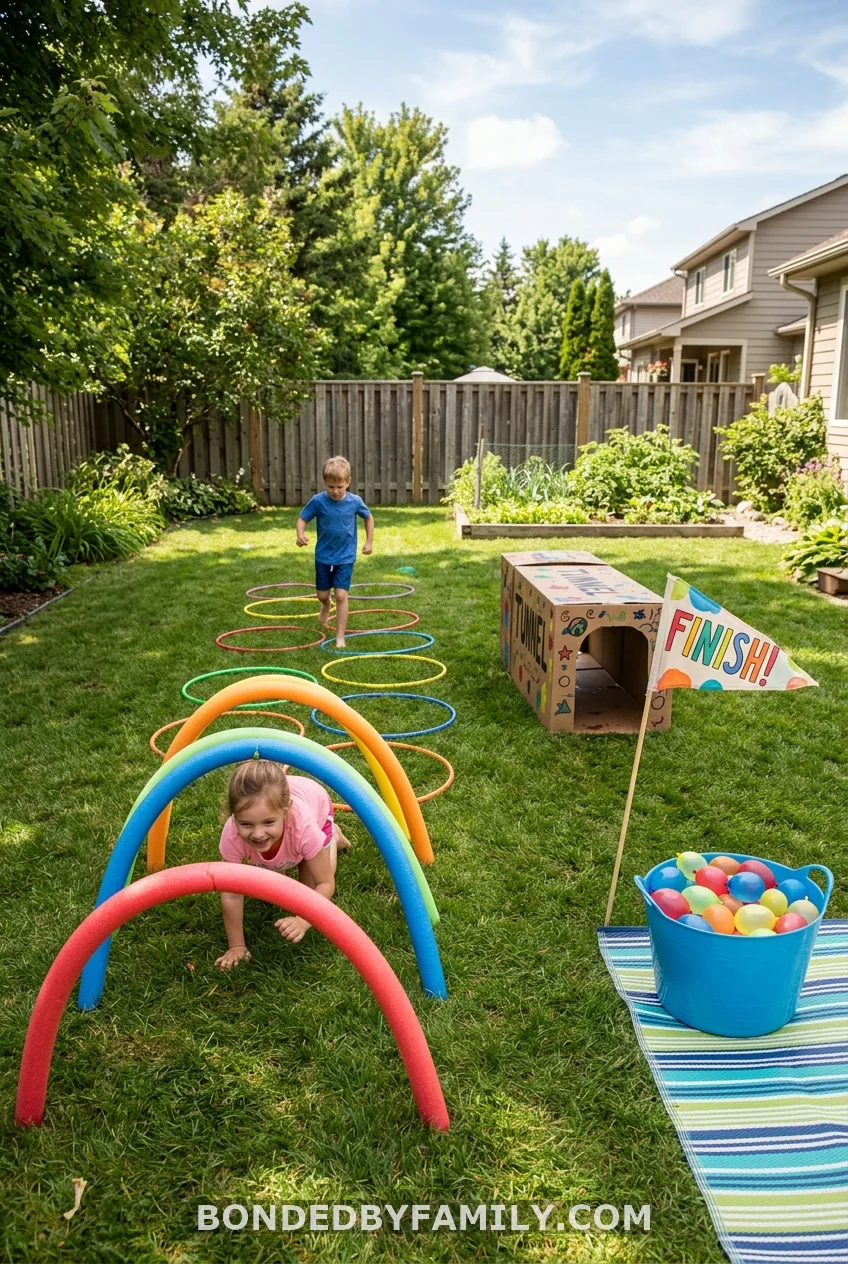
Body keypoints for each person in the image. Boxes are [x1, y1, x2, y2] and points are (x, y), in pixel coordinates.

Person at [215, 760, 350, 971]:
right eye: (246, 824)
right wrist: (237, 946)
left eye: (268, 822)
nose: (258, 833)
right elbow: (231, 893)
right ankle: (296, 849)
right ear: (233, 817)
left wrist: (303, 920)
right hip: (293, 834)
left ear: (286, 812)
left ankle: (332, 838)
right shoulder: (232, 834)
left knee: (309, 889)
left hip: (315, 809)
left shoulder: (303, 828)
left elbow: (325, 884)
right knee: (278, 868)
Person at [296, 455, 373, 649]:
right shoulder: (318, 501)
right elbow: (302, 518)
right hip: (323, 555)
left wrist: (369, 541)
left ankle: (340, 637)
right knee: (322, 595)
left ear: (348, 482)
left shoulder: (355, 501)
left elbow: (368, 517)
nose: (335, 491)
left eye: (339, 486)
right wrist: (300, 533)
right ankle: (325, 605)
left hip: (345, 556)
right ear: (325, 483)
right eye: (331, 487)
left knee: (341, 595)